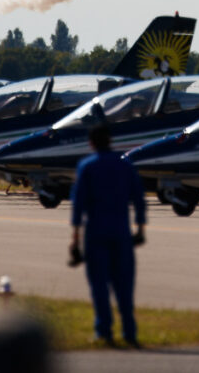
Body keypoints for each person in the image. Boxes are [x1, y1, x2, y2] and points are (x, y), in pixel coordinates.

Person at [69, 124, 146, 347]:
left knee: (99, 285)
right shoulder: (125, 165)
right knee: (124, 284)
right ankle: (129, 332)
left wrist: (74, 239)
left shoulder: (87, 166)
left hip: (96, 232)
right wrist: (140, 229)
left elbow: (78, 206)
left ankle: (104, 331)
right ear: (110, 140)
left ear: (91, 143)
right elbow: (139, 199)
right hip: (121, 232)